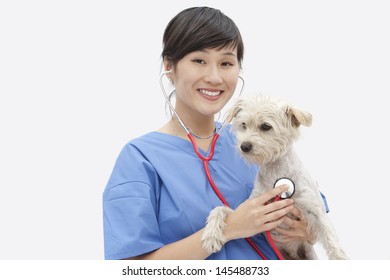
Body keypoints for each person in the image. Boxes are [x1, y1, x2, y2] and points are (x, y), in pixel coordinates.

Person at [103, 6, 321, 260]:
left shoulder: (257, 141)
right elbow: (130, 267)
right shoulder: (140, 159)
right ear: (169, 66)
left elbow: (313, 211)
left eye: (226, 63)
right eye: (199, 61)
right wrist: (229, 229)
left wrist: (308, 230)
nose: (215, 77)